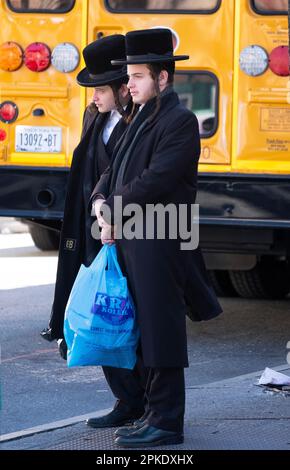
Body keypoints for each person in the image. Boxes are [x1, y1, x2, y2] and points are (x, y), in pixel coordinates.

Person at [90, 28, 222, 448]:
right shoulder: (141, 115)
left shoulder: (179, 121)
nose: (129, 84)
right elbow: (114, 171)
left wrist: (111, 210)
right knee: (142, 328)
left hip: (162, 237)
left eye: (139, 76)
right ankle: (151, 411)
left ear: (163, 78)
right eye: (129, 76)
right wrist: (98, 200)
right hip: (135, 235)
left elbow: (156, 180)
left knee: (161, 327)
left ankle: (166, 421)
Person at [41, 35, 148, 427]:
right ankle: (125, 399)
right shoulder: (94, 115)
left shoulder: (141, 123)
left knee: (130, 318)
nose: (94, 96)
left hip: (129, 234)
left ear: (123, 88)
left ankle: (146, 401)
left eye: (100, 89)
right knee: (100, 316)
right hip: (92, 233)